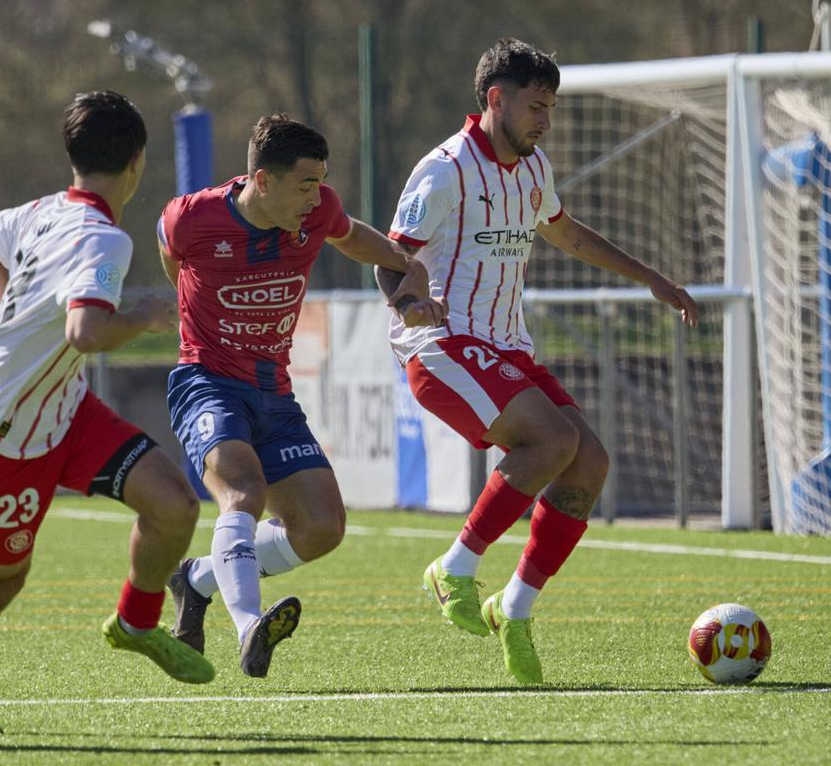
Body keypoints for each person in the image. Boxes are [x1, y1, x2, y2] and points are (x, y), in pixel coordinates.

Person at [377, 38, 700, 685]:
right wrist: (411, 303)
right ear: (496, 99)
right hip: (441, 346)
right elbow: (392, 254)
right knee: (551, 441)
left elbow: (569, 233)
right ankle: (456, 567)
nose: (545, 121)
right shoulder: (444, 170)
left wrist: (651, 278)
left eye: (550, 108)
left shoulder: (532, 169)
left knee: (590, 462)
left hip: (506, 346)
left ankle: (515, 609)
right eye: (535, 106)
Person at [0, 90, 214, 735]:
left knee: (175, 504)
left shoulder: (41, 212)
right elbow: (85, 334)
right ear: (137, 162)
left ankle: (135, 620)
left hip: (65, 411)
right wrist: (146, 315)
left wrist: (16, 311)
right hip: (1, 432)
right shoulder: (104, 239)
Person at [159, 113, 445, 678]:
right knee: (242, 490)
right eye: (305, 183)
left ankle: (195, 580)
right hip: (207, 382)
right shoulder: (194, 217)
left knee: (320, 530)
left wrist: (402, 262)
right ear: (262, 181)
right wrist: (192, 311)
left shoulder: (319, 211)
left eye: (321, 182)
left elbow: (348, 233)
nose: (316, 197)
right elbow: (171, 253)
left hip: (275, 391)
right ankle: (247, 627)